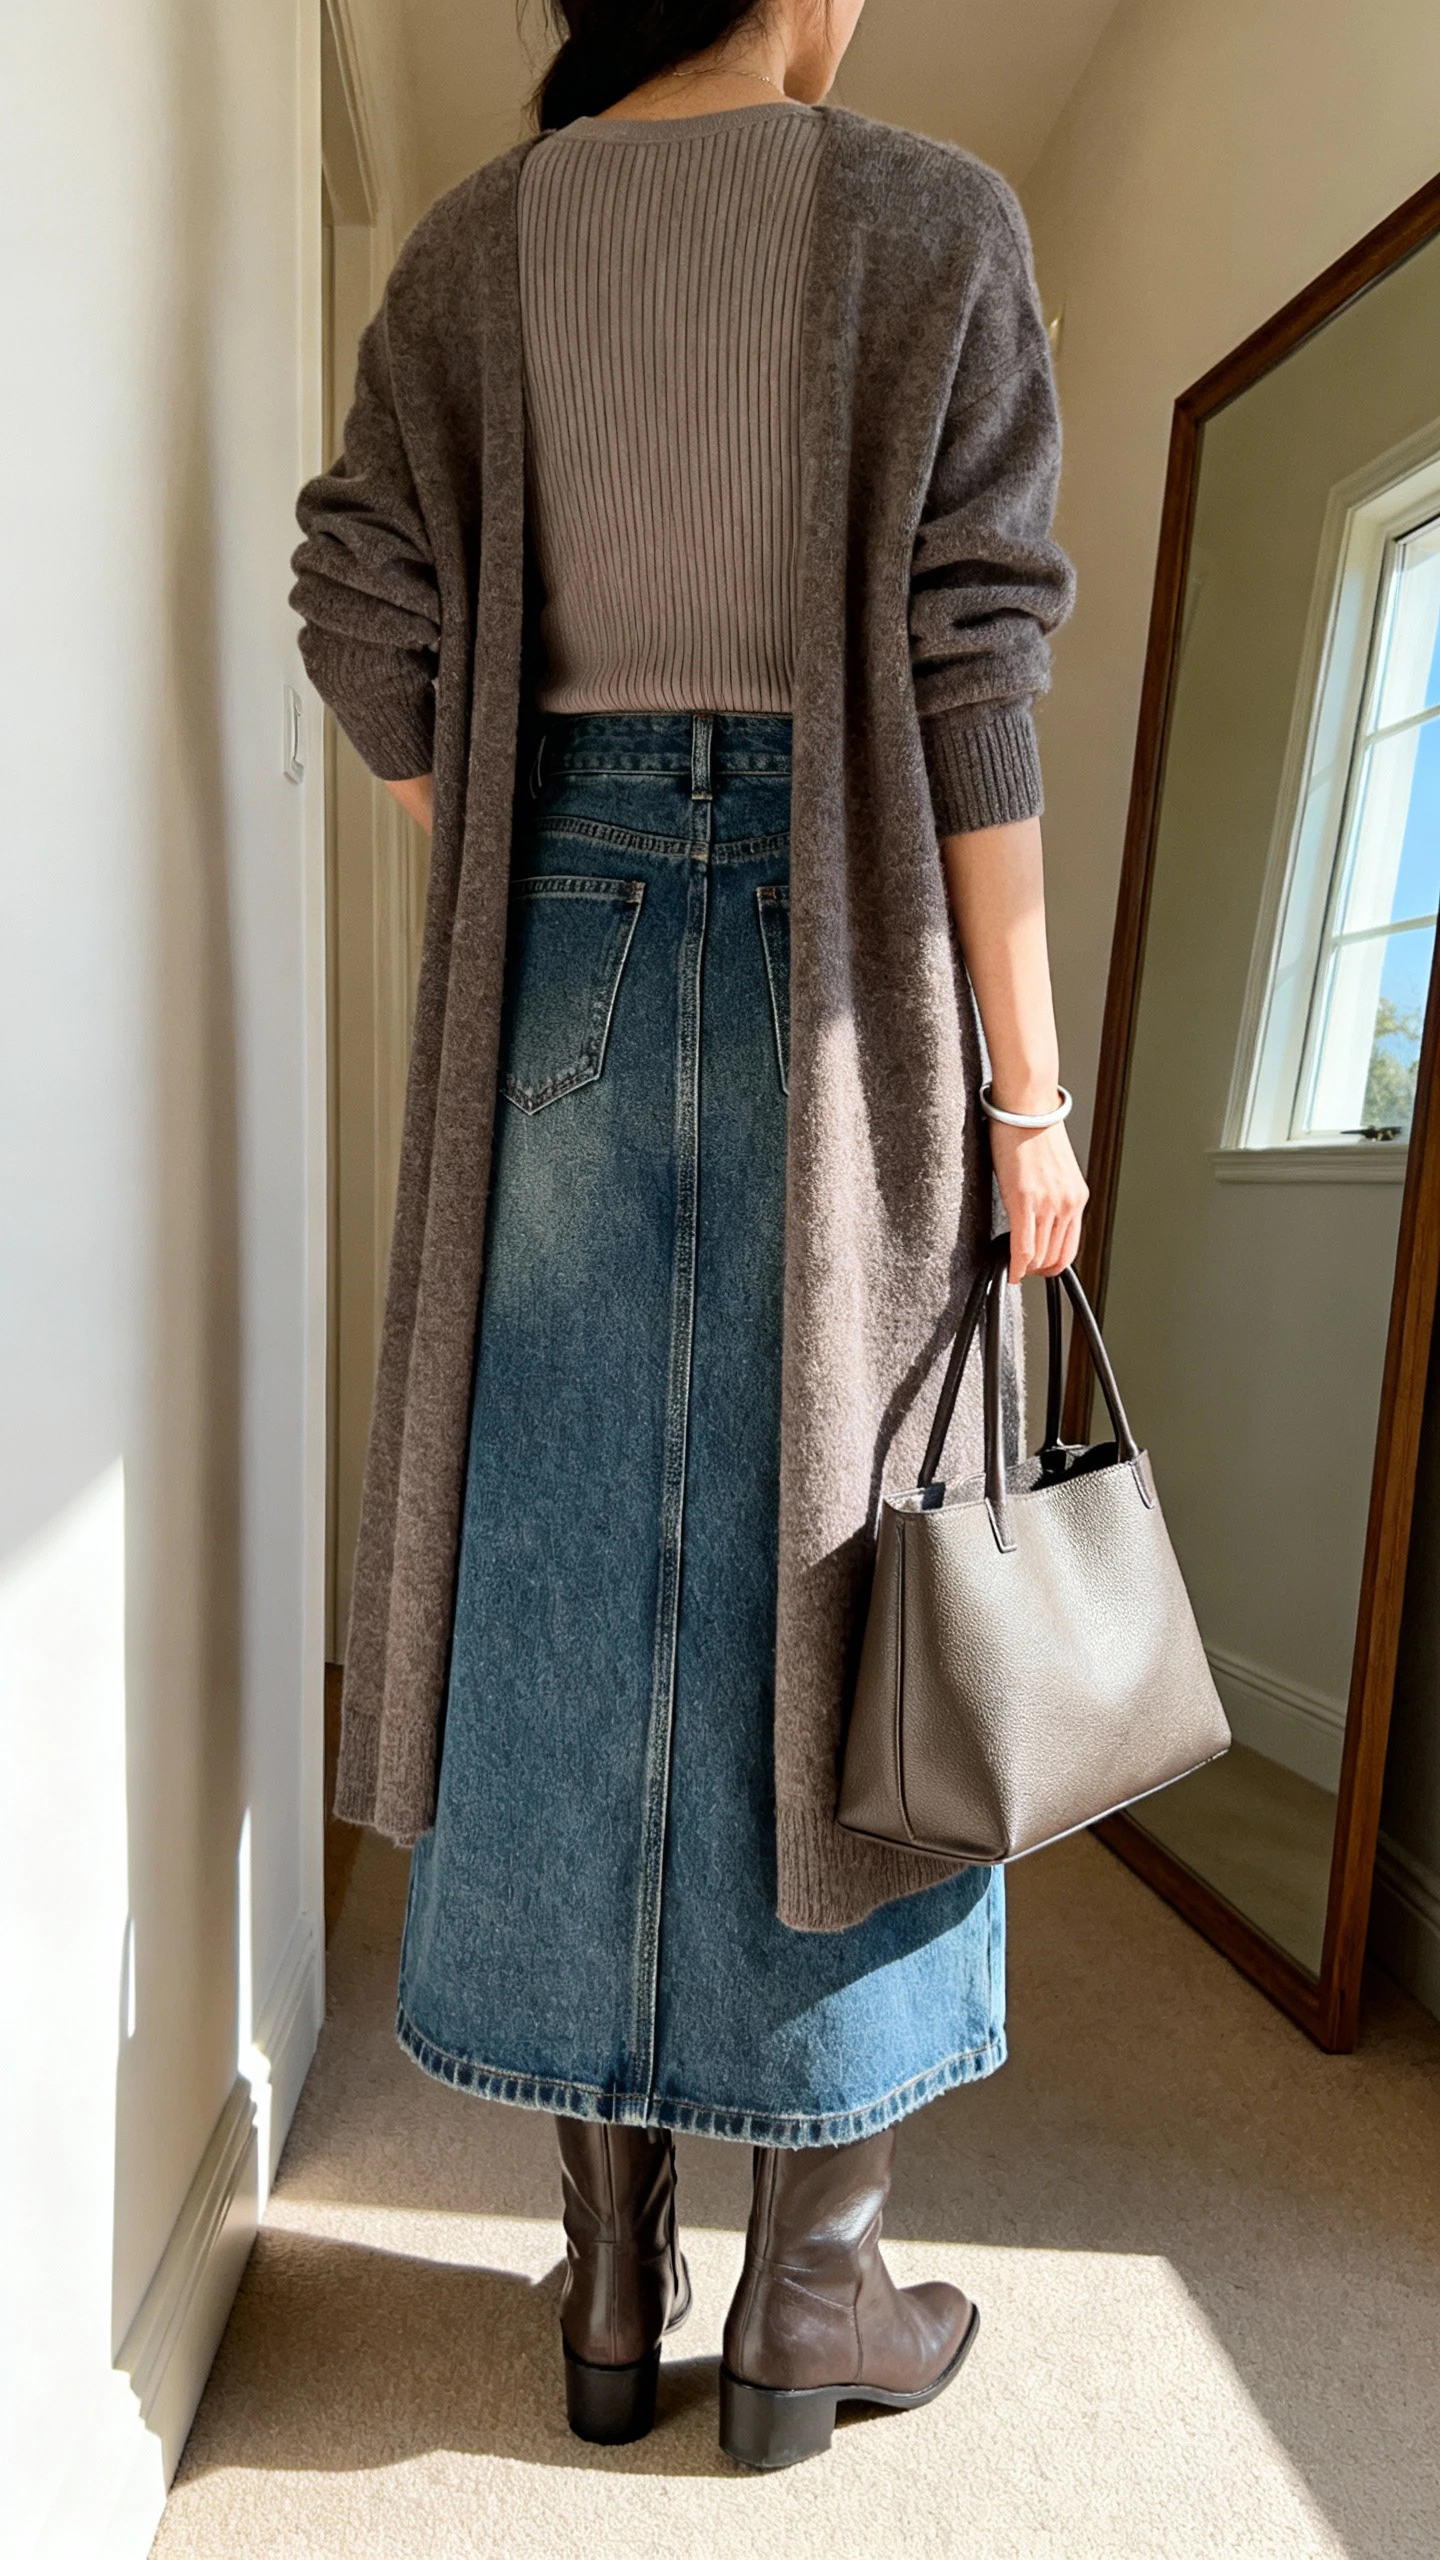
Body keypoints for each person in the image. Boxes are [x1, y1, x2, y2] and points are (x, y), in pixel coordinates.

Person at [291, 0, 1084, 2472]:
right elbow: (975, 676)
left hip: (567, 939)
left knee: (567, 1555)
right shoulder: (933, 217)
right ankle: (811, 2283)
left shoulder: (467, 251)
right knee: (838, 1569)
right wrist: (1030, 1090)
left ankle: (608, 2265)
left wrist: (516, 852)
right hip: (843, 962)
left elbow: (362, 595)